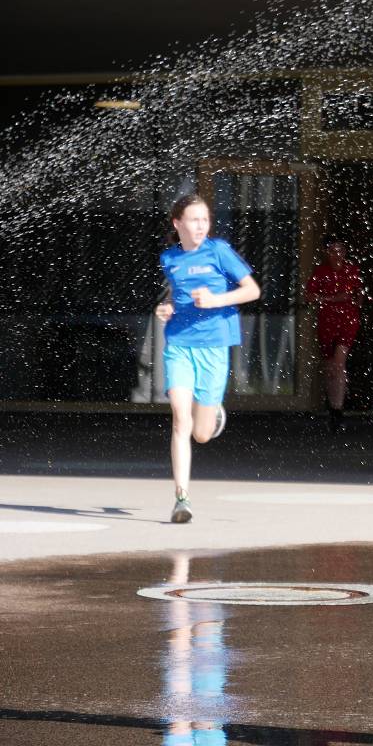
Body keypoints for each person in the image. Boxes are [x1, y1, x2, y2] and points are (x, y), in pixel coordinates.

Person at [155, 194, 261, 524]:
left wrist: (216, 300)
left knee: (201, 434)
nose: (201, 226)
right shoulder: (170, 258)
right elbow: (175, 295)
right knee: (180, 420)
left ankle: (212, 412)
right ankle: (181, 499)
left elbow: (252, 290)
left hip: (214, 346)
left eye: (205, 220)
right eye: (194, 220)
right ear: (178, 223)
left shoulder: (219, 251)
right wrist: (166, 307)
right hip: (179, 344)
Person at [304, 237, 363, 432]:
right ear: (326, 252)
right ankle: (334, 407)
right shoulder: (320, 272)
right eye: (333, 250)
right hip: (327, 322)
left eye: (341, 250)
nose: (338, 254)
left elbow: (357, 294)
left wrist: (353, 300)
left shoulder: (352, 270)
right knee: (330, 368)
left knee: (339, 362)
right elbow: (309, 296)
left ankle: (338, 408)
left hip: (347, 320)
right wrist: (330, 298)